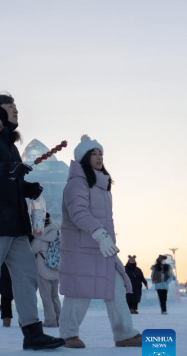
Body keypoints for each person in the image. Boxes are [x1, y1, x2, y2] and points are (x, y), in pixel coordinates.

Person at [0, 93, 64, 351]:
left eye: (16, 106)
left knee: (27, 276)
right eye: (10, 106)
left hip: (16, 224)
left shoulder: (9, 144)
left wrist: (25, 187)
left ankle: (32, 333)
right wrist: (9, 170)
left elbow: (8, 180)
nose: (16, 110)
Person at [58, 135, 141, 348]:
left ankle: (124, 334)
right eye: (93, 153)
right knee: (79, 292)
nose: (99, 157)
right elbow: (79, 213)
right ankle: (69, 335)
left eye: (100, 153)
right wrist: (101, 235)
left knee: (117, 290)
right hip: (81, 249)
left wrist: (105, 239)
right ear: (83, 158)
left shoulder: (101, 186)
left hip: (102, 249)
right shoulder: (76, 184)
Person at [30, 212, 61, 327]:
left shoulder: (39, 239)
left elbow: (31, 251)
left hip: (44, 271)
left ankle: (50, 321)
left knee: (46, 297)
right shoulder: (58, 234)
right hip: (57, 270)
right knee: (55, 296)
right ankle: (60, 319)